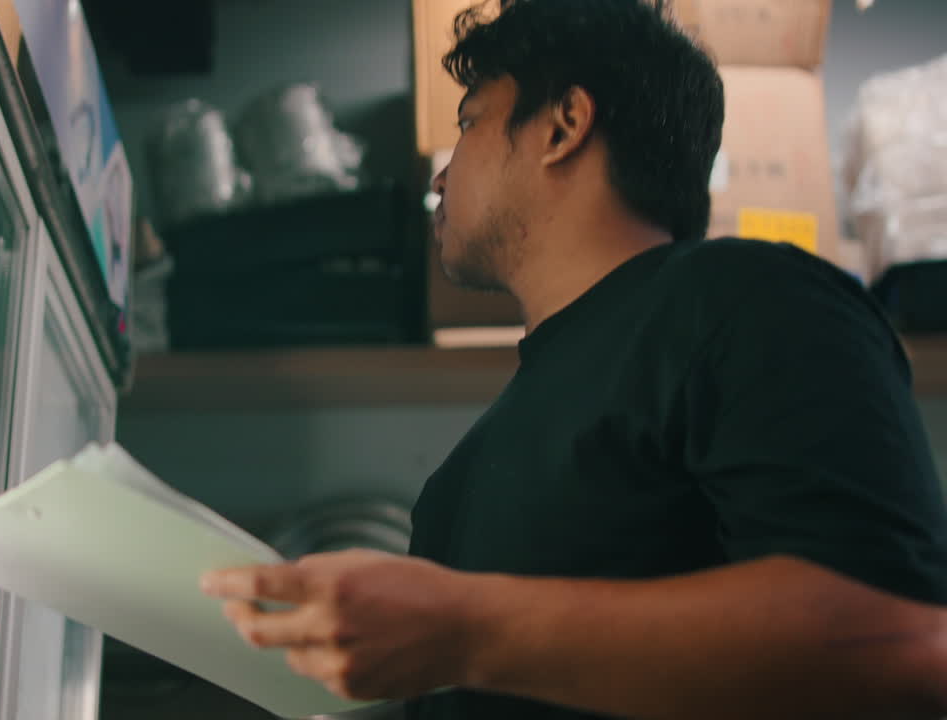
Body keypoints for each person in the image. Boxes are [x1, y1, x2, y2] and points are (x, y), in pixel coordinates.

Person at [200, 0, 947, 717]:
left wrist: (467, 631)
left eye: (469, 124)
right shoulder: (468, 467)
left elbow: (902, 642)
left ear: (563, 126)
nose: (437, 178)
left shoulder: (749, 299)